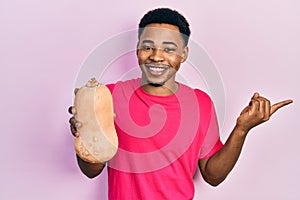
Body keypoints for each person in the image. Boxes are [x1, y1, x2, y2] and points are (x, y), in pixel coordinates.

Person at [68, 8, 293, 200]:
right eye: (148, 47)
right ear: (137, 49)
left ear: (183, 54)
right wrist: (85, 135)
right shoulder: (109, 95)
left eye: (169, 48)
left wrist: (242, 129)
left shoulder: (200, 103)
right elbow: (91, 171)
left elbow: (212, 176)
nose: (157, 56)